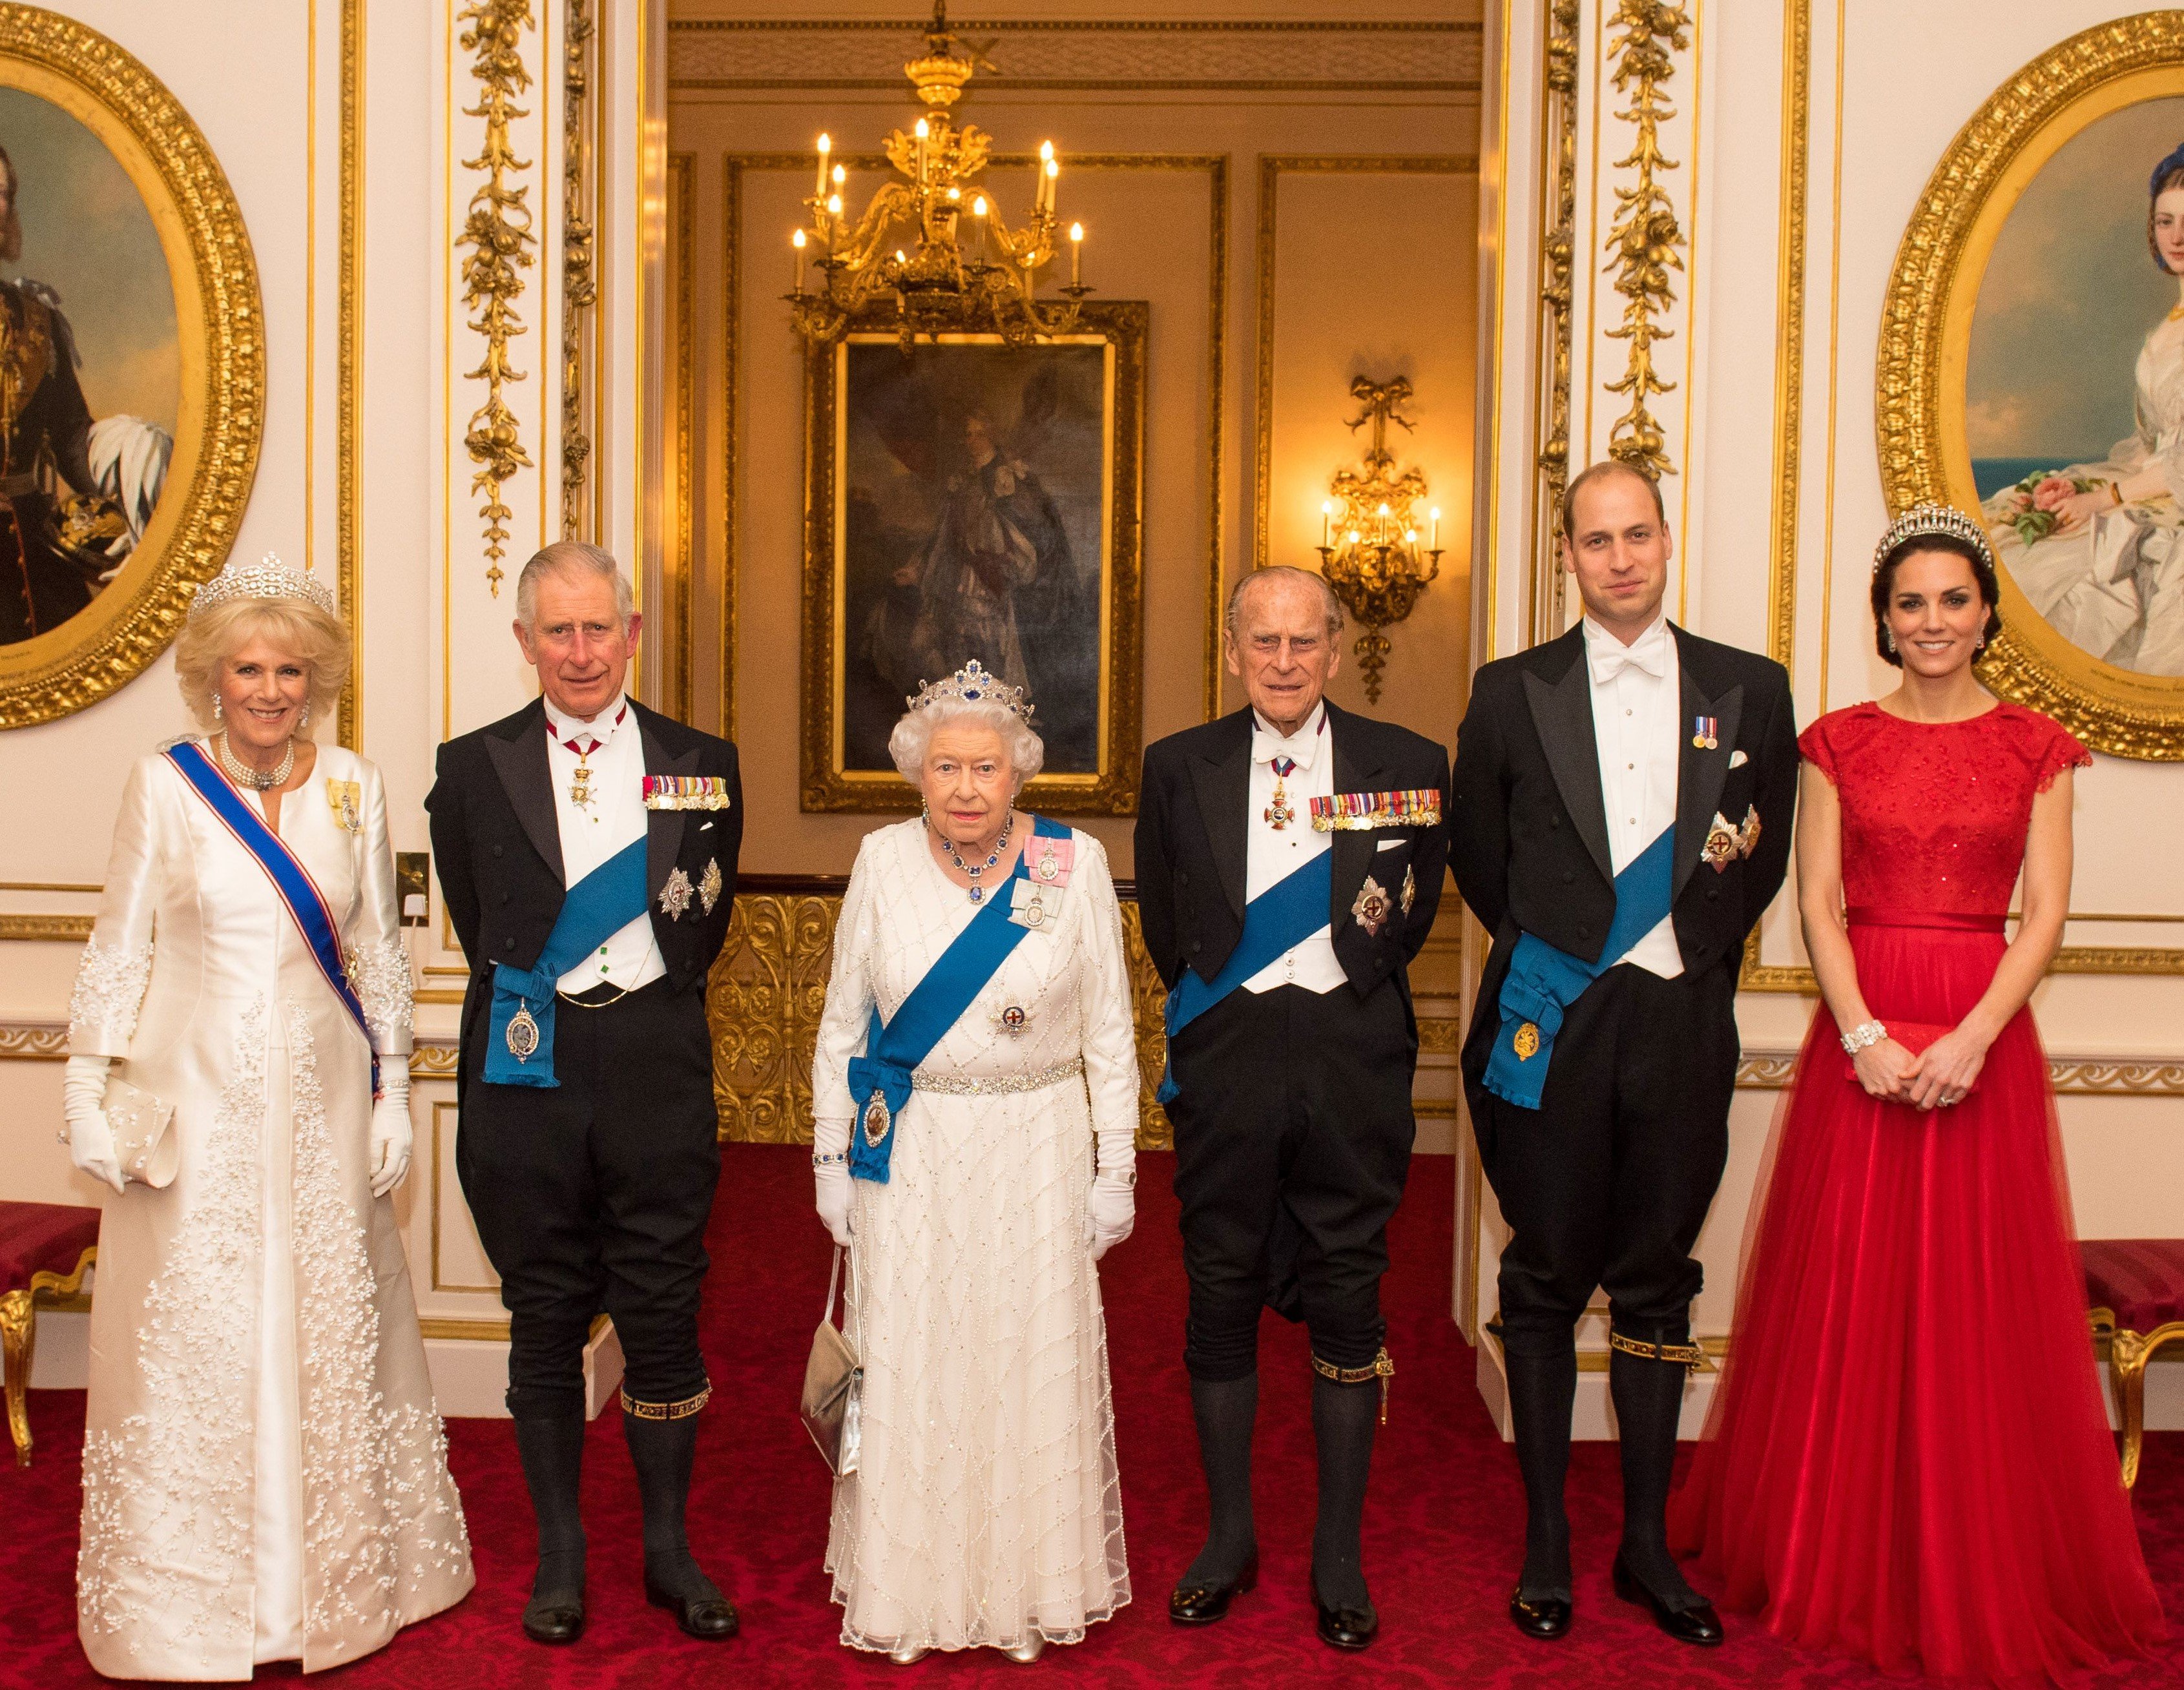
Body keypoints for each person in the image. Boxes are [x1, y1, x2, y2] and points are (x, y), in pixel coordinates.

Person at [1667, 504, 2168, 1680]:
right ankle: (1837, 1545)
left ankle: (1966, 1550)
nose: (1932, 621)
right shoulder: (1837, 740)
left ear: (1986, 610)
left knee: (1972, 1301)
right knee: (1853, 1289)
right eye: (1910, 603)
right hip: (1869, 1035)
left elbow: (2043, 915)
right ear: (1883, 622)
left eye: (1952, 599)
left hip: (1980, 1032)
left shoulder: (2037, 747)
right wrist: (1864, 1034)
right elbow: (1817, 904)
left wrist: (1973, 1038)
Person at [62, 551, 472, 1678]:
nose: (271, 689)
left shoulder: (353, 782)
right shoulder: (165, 784)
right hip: (196, 1098)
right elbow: (118, 945)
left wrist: (393, 1090)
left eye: (290, 668)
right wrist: (83, 1092)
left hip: (328, 1094)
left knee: (330, 1324)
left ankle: (334, 1588)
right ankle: (198, 1603)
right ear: (211, 678)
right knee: (204, 1333)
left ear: (316, 679)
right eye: (249, 667)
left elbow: (382, 956)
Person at [1449, 460, 1798, 1647]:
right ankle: (1547, 1538)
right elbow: (1480, 859)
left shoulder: (1750, 688)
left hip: (1680, 1015)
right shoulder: (1509, 690)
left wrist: (1677, 956)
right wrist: (1574, 952)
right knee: (1544, 1271)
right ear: (1568, 555)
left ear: (1665, 537)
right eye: (1595, 540)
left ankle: (1645, 1542)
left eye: (1636, 533)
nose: (1620, 557)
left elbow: (1762, 857)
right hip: (1551, 1011)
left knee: (1656, 1275)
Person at [426, 541, 743, 1645]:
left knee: (663, 1312)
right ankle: (561, 1556)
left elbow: (704, 918)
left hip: (655, 1065)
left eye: (597, 626)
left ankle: (668, 1550)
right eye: (555, 631)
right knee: (546, 1313)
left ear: (632, 633)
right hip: (528, 1069)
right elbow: (478, 920)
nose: (579, 650)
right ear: (524, 644)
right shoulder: (470, 767)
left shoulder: (704, 761)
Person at [1135, 565, 1450, 1653]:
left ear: (1331, 647)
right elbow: (1169, 925)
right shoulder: (1179, 767)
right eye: (1261, 641)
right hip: (1225, 1062)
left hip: (1351, 1059)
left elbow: (1406, 919)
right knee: (1218, 1286)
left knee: (1350, 1295)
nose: (1282, 662)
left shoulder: (1409, 765)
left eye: (1302, 642)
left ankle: (1338, 1554)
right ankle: (1229, 1540)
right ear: (1230, 649)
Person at [809, 659, 1138, 1664]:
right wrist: (830, 1156)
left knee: (1025, 1355)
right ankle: (913, 1594)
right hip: (913, 1151)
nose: (963, 787)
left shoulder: (1069, 864)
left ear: (1018, 775)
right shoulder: (879, 860)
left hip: (1036, 1145)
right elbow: (840, 1025)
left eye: (984, 768)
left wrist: (1114, 1164)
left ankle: (1025, 1593)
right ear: (914, 772)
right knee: (917, 1361)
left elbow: (1110, 1034)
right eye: (944, 766)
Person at [1979, 143, 2184, 675]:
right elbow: (2152, 447)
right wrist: (2089, 487)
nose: (2176, 237)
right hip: (2153, 483)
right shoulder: (2167, 328)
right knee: (2010, 533)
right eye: (2165, 221)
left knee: (2065, 574)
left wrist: (2107, 499)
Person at [0, 144, 153, 644]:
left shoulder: (39, 320)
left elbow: (69, 441)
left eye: (4, 194)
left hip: (32, 561)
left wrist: (126, 448)